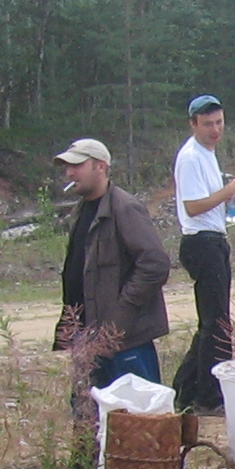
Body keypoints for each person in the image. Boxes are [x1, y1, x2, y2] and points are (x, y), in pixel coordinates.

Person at [52, 138, 172, 388]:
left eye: (77, 166)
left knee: (137, 409)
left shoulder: (125, 208)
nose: (70, 173)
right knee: (88, 409)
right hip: (88, 335)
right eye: (67, 167)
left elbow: (155, 264)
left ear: (101, 167)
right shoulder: (82, 210)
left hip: (124, 339)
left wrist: (120, 313)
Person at [171, 93, 235, 414]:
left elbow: (208, 202)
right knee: (217, 324)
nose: (215, 129)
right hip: (201, 242)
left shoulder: (207, 154)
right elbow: (192, 207)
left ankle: (185, 390)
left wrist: (232, 203)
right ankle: (209, 396)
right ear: (193, 124)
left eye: (219, 122)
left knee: (212, 321)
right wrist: (230, 189)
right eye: (208, 124)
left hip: (214, 237)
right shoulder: (191, 157)